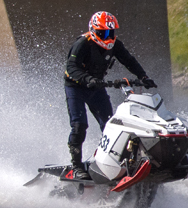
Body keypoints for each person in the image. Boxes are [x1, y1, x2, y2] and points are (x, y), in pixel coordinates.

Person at [63, 12, 156, 181]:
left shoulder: (115, 45)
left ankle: (114, 162)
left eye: (111, 33)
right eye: (104, 33)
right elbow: (71, 68)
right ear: (94, 30)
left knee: (110, 125)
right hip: (76, 88)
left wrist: (143, 77)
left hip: (96, 88)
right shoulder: (82, 44)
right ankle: (77, 167)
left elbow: (129, 60)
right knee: (79, 126)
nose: (108, 38)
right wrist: (88, 79)